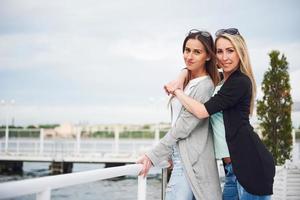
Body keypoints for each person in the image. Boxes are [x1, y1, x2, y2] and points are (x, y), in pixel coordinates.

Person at [164, 28, 275, 200]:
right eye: (220, 51)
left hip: (250, 165)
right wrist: (182, 74)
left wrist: (177, 92)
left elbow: (201, 111)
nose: (225, 57)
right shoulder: (222, 81)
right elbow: (192, 68)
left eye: (230, 51)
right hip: (231, 170)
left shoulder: (240, 82)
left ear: (240, 53)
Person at [137, 29, 222, 200]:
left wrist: (153, 155)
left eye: (196, 52)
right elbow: (176, 121)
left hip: (190, 160)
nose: (189, 56)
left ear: (207, 56)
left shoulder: (205, 86)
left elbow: (183, 127)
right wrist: (168, 154)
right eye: (187, 50)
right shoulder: (185, 81)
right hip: (178, 157)